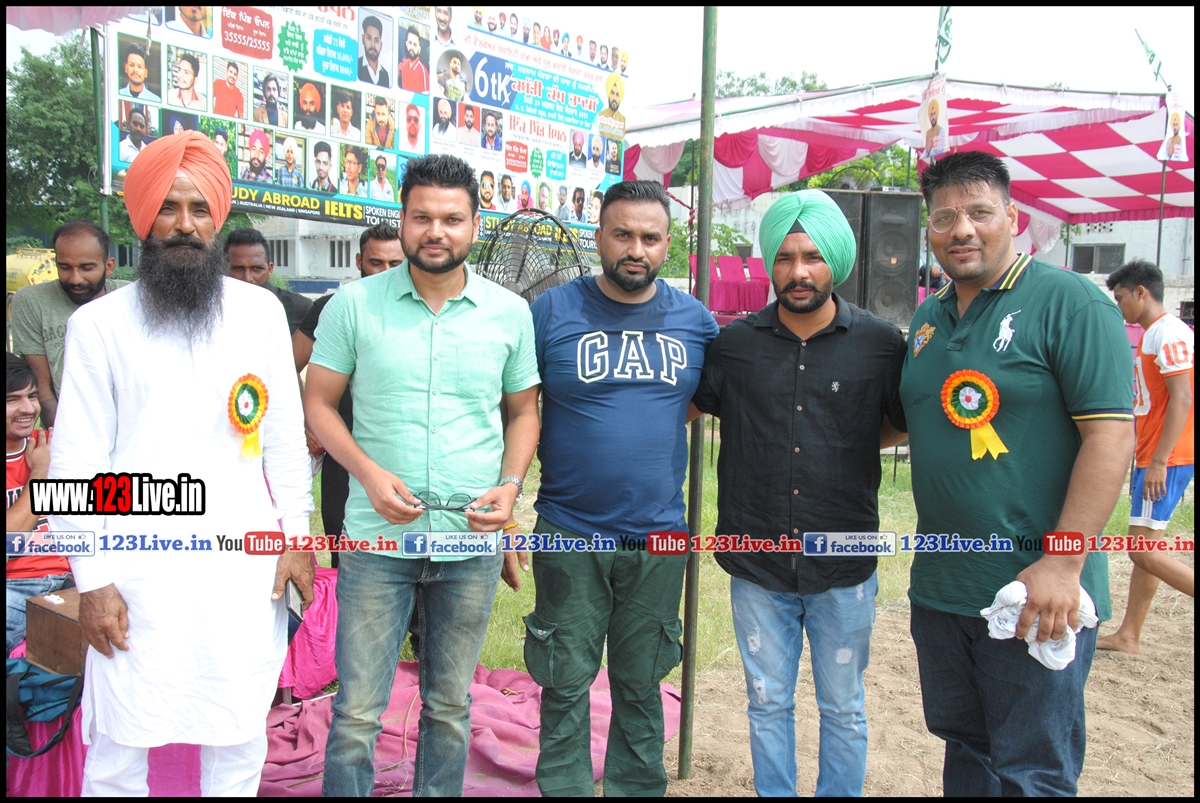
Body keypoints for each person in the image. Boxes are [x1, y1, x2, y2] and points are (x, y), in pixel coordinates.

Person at [49, 131, 313, 796]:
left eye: (199, 208)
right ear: (144, 219)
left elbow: (284, 438)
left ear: (217, 218)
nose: (185, 224)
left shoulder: (259, 313)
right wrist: (93, 579)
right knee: (120, 743)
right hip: (137, 572)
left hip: (241, 567)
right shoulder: (99, 326)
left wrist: (296, 537)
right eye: (168, 207)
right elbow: (75, 464)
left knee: (238, 733)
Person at [902, 151, 1134, 796]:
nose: (961, 230)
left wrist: (1063, 563)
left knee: (1033, 771)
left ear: (1012, 216)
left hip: (1035, 593)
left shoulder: (1072, 302)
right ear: (929, 229)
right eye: (944, 218)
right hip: (943, 589)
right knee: (966, 751)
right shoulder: (927, 318)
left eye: (979, 212)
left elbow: (1111, 436)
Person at [307, 154, 540, 796]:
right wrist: (367, 473)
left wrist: (511, 486)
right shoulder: (354, 305)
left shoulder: (509, 313)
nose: (436, 231)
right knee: (357, 714)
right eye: (422, 217)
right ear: (403, 219)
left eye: (452, 219)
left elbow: (524, 412)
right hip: (376, 542)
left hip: (469, 542)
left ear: (475, 225)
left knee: (450, 705)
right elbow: (317, 403)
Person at [691, 190, 906, 796]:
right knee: (766, 703)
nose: (798, 271)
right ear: (770, 264)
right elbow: (687, 408)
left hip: (844, 562)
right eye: (784, 258)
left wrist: (844, 443)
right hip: (756, 559)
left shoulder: (881, 344)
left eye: (812, 257)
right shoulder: (734, 346)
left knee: (844, 708)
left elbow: (896, 425)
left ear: (835, 260)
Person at [524, 180, 717, 797]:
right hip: (569, 530)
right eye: (623, 234)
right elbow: (517, 407)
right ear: (599, 236)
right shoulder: (551, 312)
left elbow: (697, 402)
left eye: (650, 237)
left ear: (668, 243)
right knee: (563, 678)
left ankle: (636, 787)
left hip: (660, 535)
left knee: (642, 681)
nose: (636, 249)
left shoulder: (696, 322)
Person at [1097, 260, 1194, 654]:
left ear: (1141, 292)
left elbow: (1183, 397)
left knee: (1142, 550)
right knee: (1146, 549)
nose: (1120, 306)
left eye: (1121, 298)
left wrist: (1160, 460)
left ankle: (1129, 634)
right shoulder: (1159, 333)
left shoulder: (1168, 333)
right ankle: (1129, 635)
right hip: (1156, 453)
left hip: (1166, 457)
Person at [293, 224, 406, 558]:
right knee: (343, 550)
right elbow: (286, 366)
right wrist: (306, 420)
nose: (385, 271)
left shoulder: (419, 312)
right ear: (359, 261)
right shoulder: (331, 307)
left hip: (398, 450)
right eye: (376, 262)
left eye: (395, 264)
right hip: (342, 450)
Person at [10, 221, 126, 427]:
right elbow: (43, 390)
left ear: (109, 266)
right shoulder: (31, 301)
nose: (75, 279)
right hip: (67, 425)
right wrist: (66, 438)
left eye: (87, 268)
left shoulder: (130, 298)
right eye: (64, 267)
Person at [6, 353, 73, 656]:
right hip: (15, 585)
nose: (28, 408)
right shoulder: (44, 460)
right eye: (12, 400)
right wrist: (41, 472)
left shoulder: (53, 444)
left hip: (72, 577)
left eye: (32, 396)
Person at [225, 228, 313, 335]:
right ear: (223, 269)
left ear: (270, 270)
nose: (247, 278)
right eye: (238, 269)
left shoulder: (300, 308)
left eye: (256, 268)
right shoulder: (212, 309)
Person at [357, 15, 390, 87]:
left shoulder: (385, 75)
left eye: (376, 40)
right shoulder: (356, 65)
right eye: (369, 38)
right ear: (363, 39)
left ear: (381, 45)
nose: (372, 44)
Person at [398, 25, 429, 93]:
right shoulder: (404, 69)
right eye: (410, 43)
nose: (412, 47)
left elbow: (425, 98)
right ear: (406, 44)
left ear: (419, 49)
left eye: (415, 44)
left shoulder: (423, 71)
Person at [597, 73, 626, 141]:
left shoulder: (624, 121)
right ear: (608, 94)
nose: (614, 98)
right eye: (612, 93)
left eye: (617, 95)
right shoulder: (599, 116)